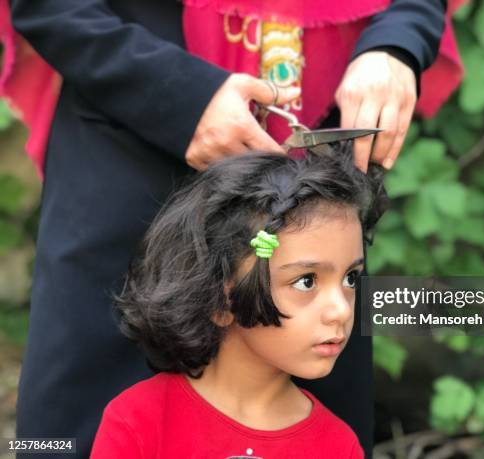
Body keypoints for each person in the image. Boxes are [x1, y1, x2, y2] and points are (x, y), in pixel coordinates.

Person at [1, 1, 456, 457]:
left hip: (320, 147)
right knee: (65, 434)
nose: (342, 309)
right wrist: (180, 96)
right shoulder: (128, 419)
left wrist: (397, 42)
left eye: (354, 281)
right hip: (128, 122)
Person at [90, 146, 387, 458]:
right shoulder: (138, 422)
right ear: (220, 299)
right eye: (307, 281)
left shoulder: (339, 447)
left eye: (351, 278)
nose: (341, 309)